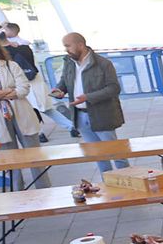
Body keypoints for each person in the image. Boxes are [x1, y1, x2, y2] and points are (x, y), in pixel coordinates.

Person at [51, 32, 127, 173]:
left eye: (68, 46)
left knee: (116, 153)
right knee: (97, 155)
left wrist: (88, 97)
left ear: (80, 45)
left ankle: (129, 181)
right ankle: (108, 184)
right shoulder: (69, 62)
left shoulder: (103, 63)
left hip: (101, 115)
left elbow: (114, 88)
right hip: (79, 115)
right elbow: (64, 81)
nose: (66, 49)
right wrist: (60, 90)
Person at [0, 38, 46, 189]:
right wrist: (7, 91)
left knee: (35, 156)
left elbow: (24, 88)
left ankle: (44, 190)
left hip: (21, 114)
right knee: (10, 160)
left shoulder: (10, 65)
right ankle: (17, 192)